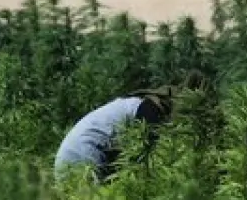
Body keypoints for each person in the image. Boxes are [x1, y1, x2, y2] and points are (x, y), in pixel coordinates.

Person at [54, 72, 209, 183]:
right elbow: (145, 158)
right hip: (81, 156)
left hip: (70, 157)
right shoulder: (149, 111)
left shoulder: (138, 104)